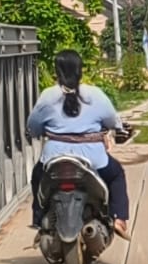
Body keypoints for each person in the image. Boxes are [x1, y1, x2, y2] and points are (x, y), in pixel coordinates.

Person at [26, 50, 131, 239]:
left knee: (37, 177)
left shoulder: (47, 96)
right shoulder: (95, 94)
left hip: (54, 159)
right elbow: (113, 121)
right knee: (116, 175)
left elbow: (33, 127)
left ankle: (38, 218)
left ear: (57, 71)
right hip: (94, 160)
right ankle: (118, 219)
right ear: (80, 70)